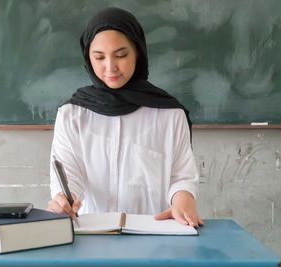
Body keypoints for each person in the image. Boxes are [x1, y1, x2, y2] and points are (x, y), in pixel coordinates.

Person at [47, 7, 203, 227]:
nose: (110, 67)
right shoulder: (72, 115)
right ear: (87, 56)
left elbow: (181, 176)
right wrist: (63, 200)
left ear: (137, 52)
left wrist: (183, 199)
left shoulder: (169, 114)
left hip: (153, 237)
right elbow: (69, 175)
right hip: (91, 237)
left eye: (121, 55)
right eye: (99, 57)